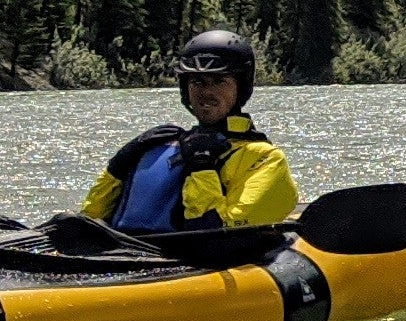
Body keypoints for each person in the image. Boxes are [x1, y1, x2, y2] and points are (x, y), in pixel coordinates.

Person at [85, 29, 301, 233]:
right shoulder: (165, 146)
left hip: (199, 259)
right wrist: (116, 169)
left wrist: (202, 168)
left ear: (240, 87)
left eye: (219, 81)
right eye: (198, 81)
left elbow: (217, 235)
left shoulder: (265, 159)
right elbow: (90, 217)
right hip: (131, 256)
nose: (207, 92)